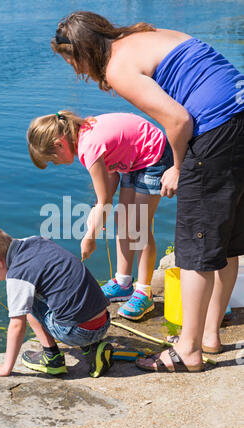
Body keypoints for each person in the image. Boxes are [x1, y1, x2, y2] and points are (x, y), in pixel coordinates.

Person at [51, 11, 244, 372]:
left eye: (71, 61)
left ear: (82, 52)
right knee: (227, 240)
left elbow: (178, 119)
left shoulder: (117, 68)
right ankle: (209, 335)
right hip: (240, 114)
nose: (76, 70)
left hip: (215, 129)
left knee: (195, 246)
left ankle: (188, 350)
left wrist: (177, 165)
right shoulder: (149, 34)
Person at [27, 110, 173, 320]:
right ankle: (123, 283)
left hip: (153, 155)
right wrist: (101, 203)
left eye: (53, 160)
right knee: (121, 219)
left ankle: (144, 292)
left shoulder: (88, 147)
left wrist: (89, 238)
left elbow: (105, 201)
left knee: (138, 225)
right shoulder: (82, 136)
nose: (56, 164)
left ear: (59, 144)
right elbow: (110, 173)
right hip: (133, 157)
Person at [0, 223, 113, 378]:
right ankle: (92, 348)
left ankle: (52, 358)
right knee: (63, 294)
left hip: (76, 333)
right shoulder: (37, 240)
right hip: (103, 320)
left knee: (26, 303)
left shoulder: (18, 274)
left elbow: (17, 325)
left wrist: (5, 367)